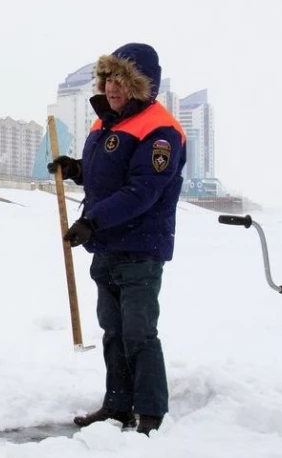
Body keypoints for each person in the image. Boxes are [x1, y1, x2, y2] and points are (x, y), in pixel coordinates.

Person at [48, 43, 186, 436]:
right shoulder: (106, 123)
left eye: (121, 80)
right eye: (108, 78)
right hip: (107, 245)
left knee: (139, 331)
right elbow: (106, 176)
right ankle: (117, 405)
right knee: (112, 331)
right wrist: (76, 168)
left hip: (140, 247)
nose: (111, 87)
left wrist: (92, 220)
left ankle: (150, 411)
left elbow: (143, 190)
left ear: (142, 86)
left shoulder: (161, 130)